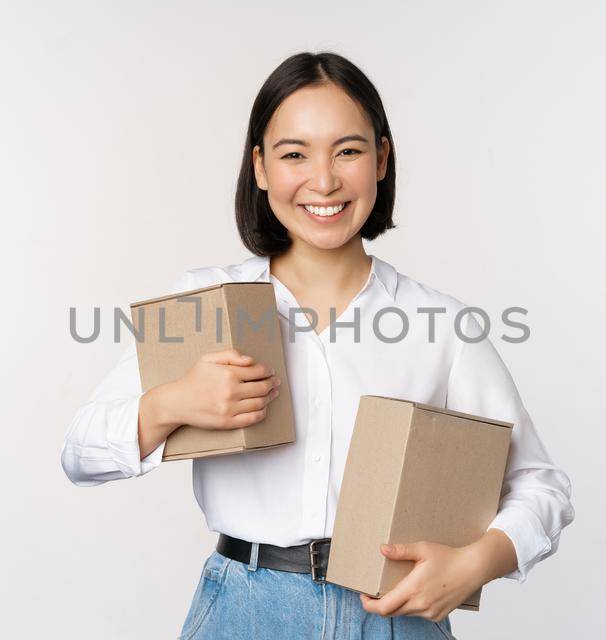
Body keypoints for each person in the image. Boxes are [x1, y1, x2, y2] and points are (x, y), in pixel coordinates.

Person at [61, 51, 574, 640]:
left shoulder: (442, 325)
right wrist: (172, 404)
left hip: (393, 615)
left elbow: (541, 484)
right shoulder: (208, 304)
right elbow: (79, 454)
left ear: (382, 159)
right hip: (244, 610)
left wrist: (475, 563)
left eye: (348, 151)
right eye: (294, 154)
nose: (324, 180)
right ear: (259, 167)